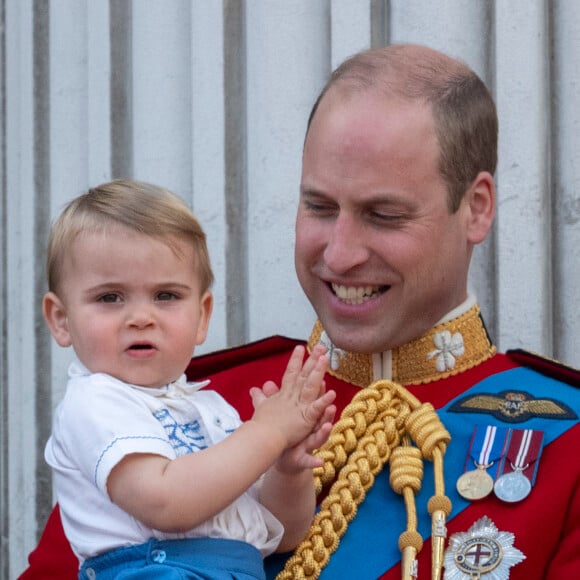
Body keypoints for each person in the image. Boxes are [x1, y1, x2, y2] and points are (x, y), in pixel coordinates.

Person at [21, 44, 579, 580]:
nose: (339, 253)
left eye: (383, 214)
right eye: (319, 207)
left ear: (475, 209)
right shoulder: (188, 404)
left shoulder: (567, 438)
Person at [37, 179, 336, 579]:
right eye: (110, 297)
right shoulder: (94, 402)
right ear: (61, 319)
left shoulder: (210, 409)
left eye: (166, 296)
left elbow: (283, 536)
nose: (141, 317)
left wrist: (286, 469)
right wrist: (267, 434)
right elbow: (168, 503)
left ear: (202, 315)